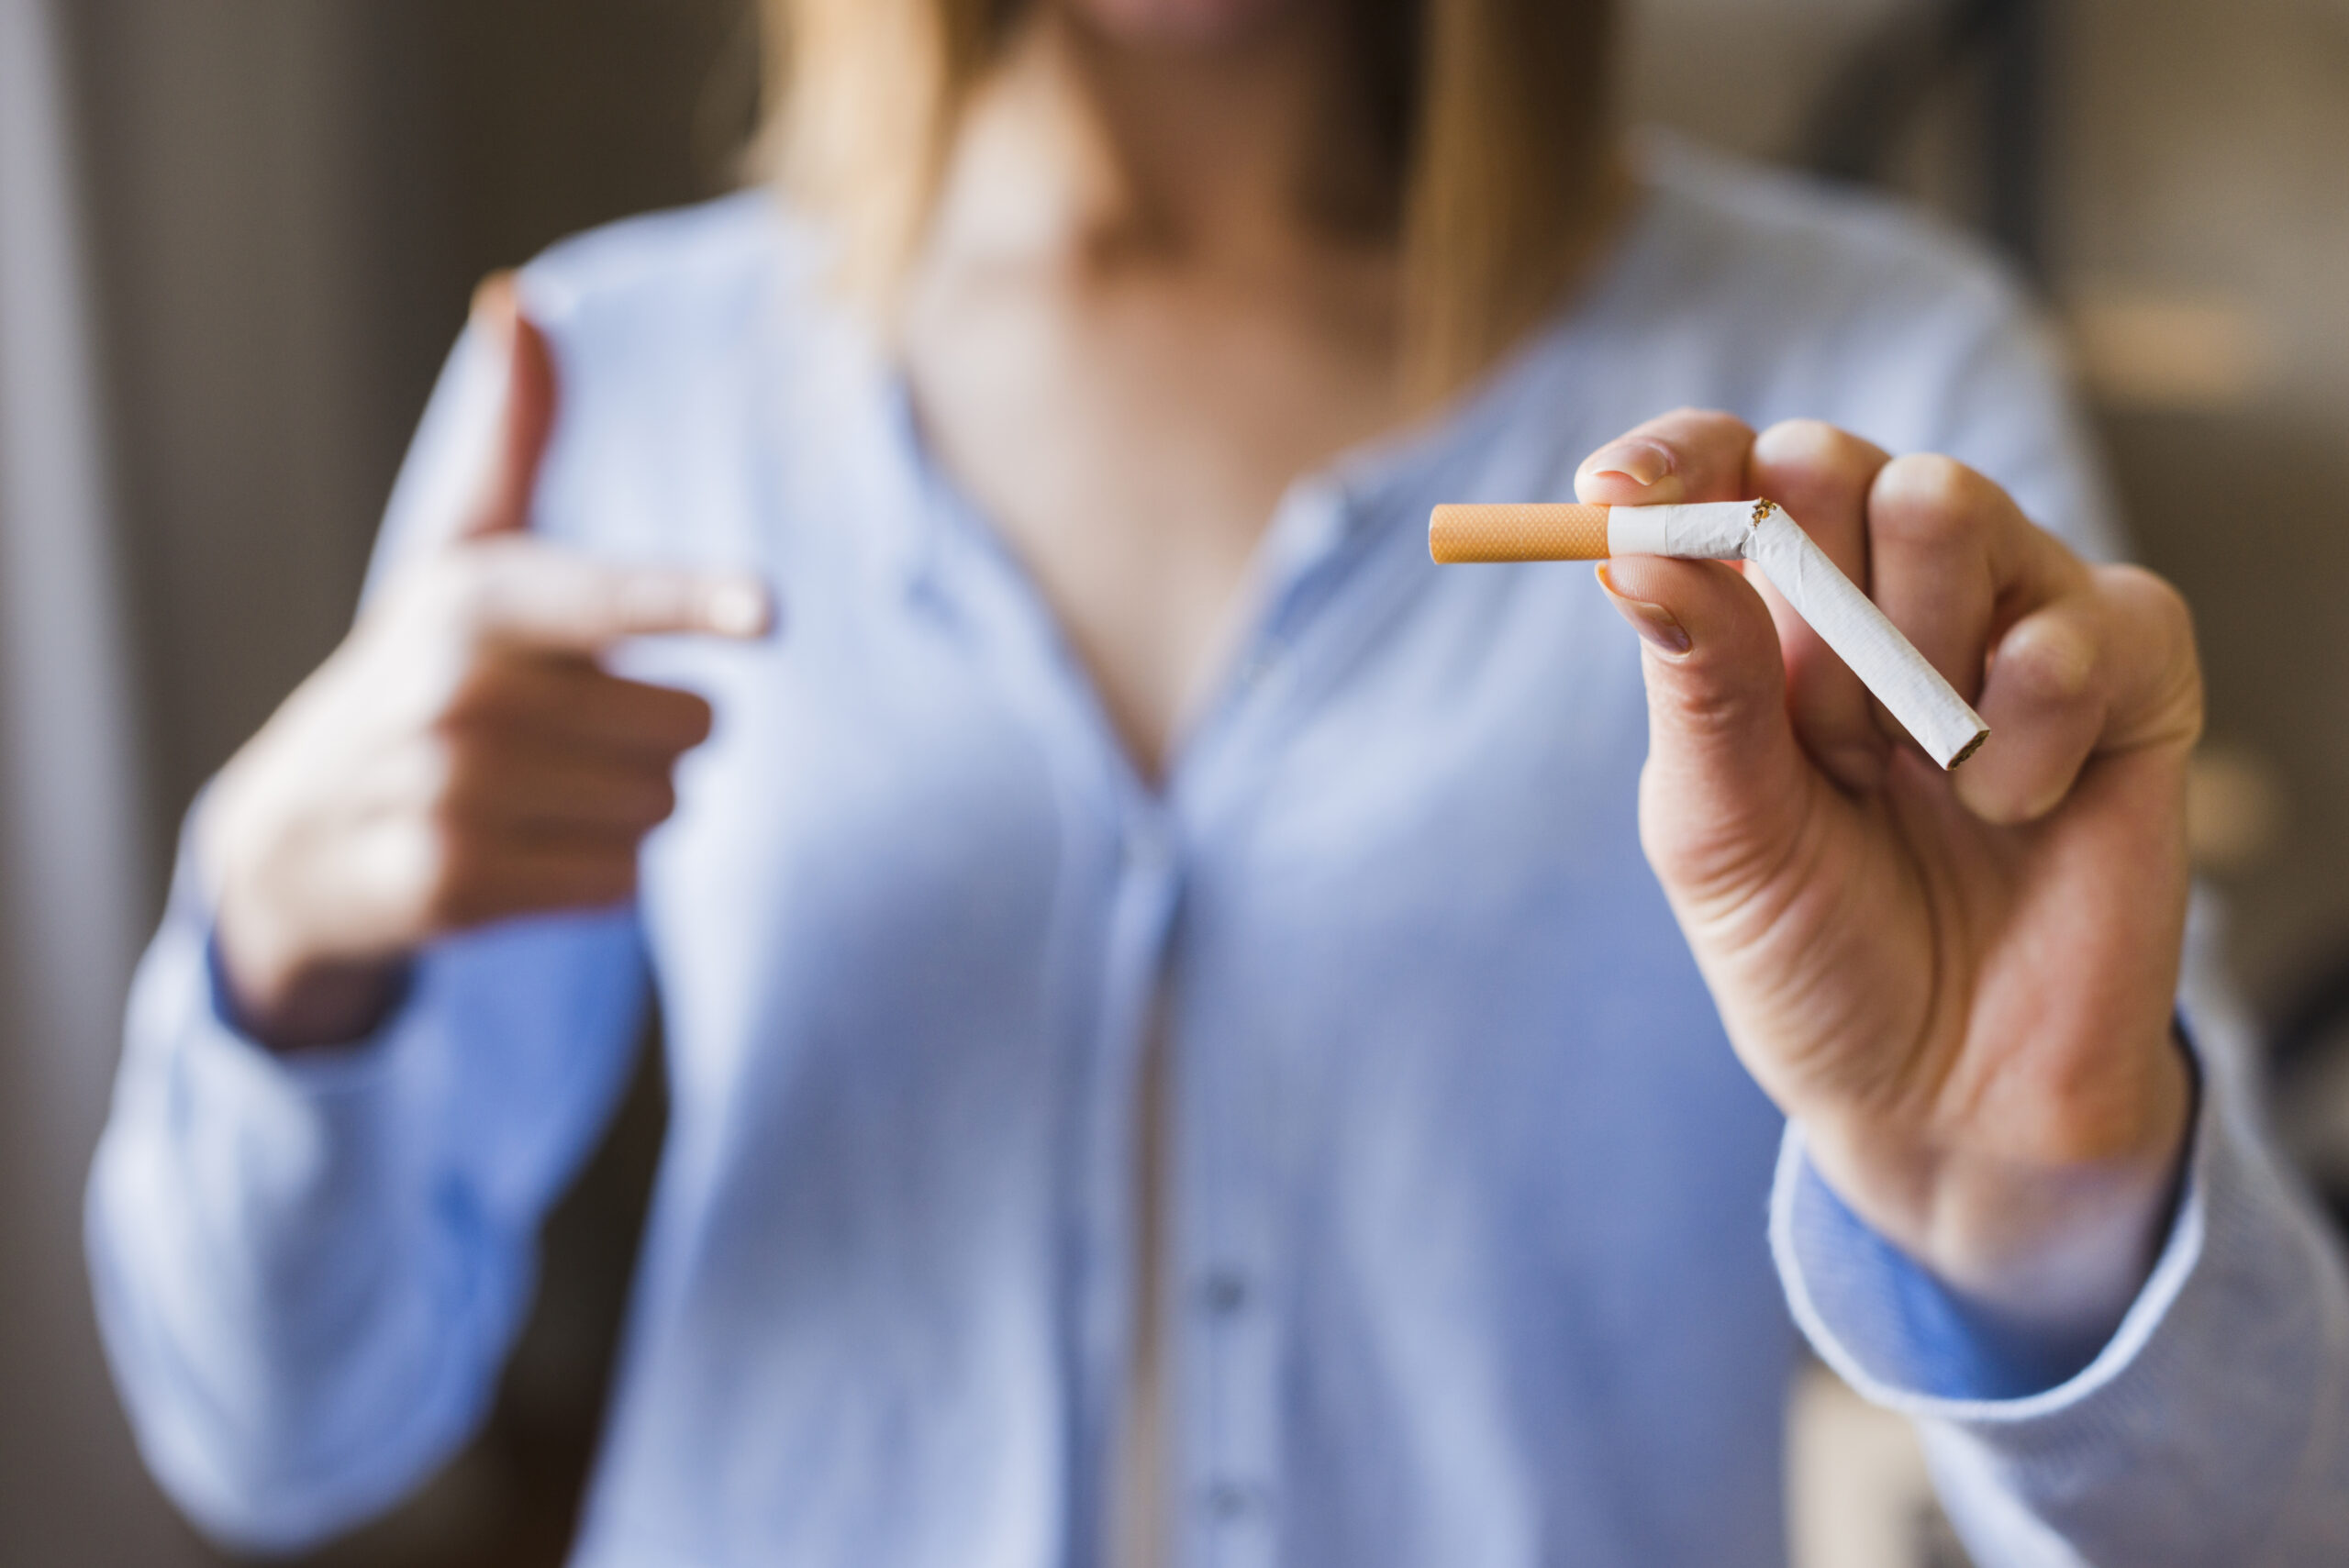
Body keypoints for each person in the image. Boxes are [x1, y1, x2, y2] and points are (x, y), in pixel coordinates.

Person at [85, 0, 2349, 1563]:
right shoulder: (612, 385)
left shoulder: (1861, 379)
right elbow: (278, 1438)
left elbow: (2255, 1514)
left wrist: (2046, 1212)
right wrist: (282, 961)